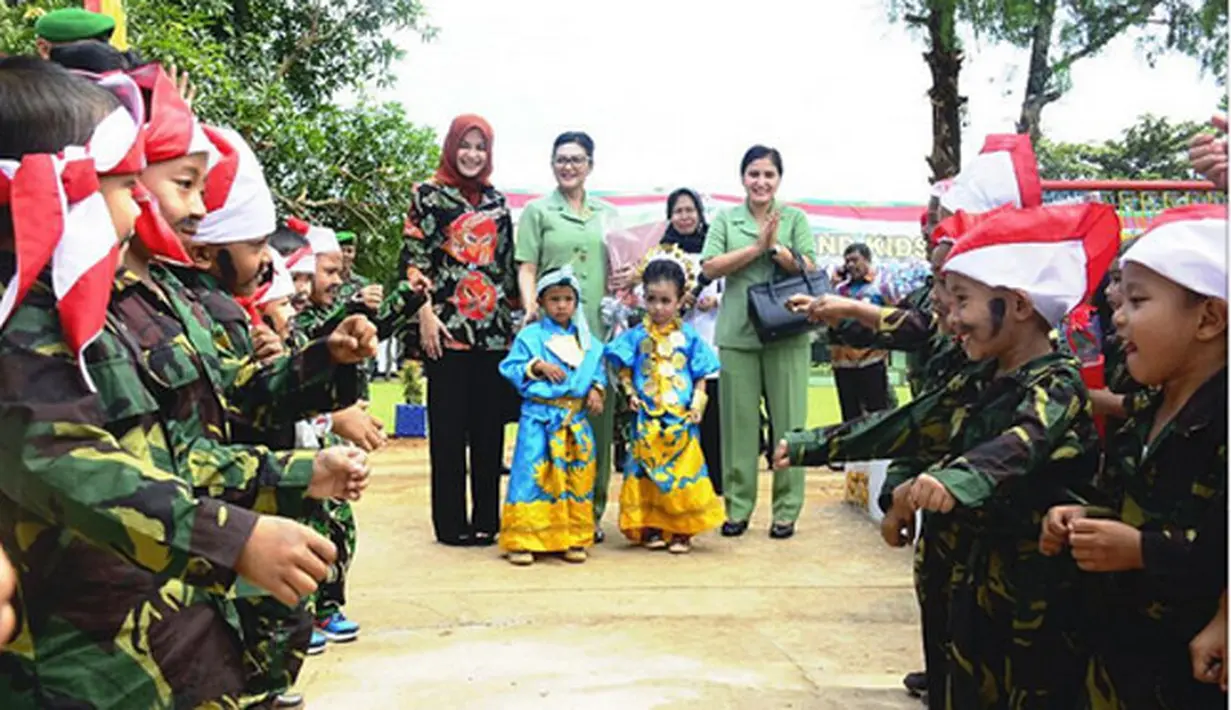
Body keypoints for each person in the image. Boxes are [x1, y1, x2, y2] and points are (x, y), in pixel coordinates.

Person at [0, 57, 353, 708]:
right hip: (81, 670)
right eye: (124, 187)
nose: (142, 209)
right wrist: (232, 537)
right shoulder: (22, 324)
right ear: (59, 188)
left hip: (162, 639)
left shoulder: (90, 306)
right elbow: (66, 462)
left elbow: (181, 445)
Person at [779, 202, 1118, 709]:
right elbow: (913, 423)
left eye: (962, 300)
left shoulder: (1058, 381)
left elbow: (1020, 442)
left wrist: (953, 481)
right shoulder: (978, 374)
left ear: (1020, 305)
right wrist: (815, 445)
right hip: (972, 570)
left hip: (1034, 585)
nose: (950, 316)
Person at [1040, 205, 1228, 709]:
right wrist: (1086, 517)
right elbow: (1129, 502)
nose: (1117, 316)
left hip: (1189, 664)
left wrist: (1142, 549)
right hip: (1121, 651)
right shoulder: (1149, 407)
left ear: (1209, 318)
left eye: (1138, 301)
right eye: (1120, 298)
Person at [402, 114, 518, 547]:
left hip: (493, 332)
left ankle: (488, 519)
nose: (472, 155)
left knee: (489, 430)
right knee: (449, 432)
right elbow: (415, 258)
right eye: (465, 145)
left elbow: (505, 267)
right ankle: (451, 525)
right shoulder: (428, 196)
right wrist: (424, 313)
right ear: (452, 147)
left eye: (480, 147)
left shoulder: (497, 202)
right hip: (446, 328)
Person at [515, 131, 634, 543]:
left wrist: (626, 276)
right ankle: (547, 510)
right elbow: (527, 266)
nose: (569, 166)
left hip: (597, 333)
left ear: (590, 165)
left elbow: (623, 265)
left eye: (577, 159)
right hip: (552, 334)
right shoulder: (537, 212)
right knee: (551, 423)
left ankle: (591, 511)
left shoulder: (608, 214)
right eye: (562, 159)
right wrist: (531, 308)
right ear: (552, 164)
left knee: (597, 421)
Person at [699, 145, 816, 540]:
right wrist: (754, 248)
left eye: (768, 174)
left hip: (788, 330)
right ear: (743, 178)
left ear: (778, 179)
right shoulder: (725, 219)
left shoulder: (795, 218)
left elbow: (811, 267)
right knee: (738, 426)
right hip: (738, 333)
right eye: (754, 174)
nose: (761, 182)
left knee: (790, 426)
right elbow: (710, 265)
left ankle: (786, 512)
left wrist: (777, 249)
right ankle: (737, 506)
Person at [605, 255, 723, 553]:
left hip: (681, 418)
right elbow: (623, 369)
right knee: (646, 470)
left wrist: (697, 405)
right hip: (647, 417)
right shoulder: (634, 336)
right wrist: (630, 393)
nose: (657, 307)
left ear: (681, 299)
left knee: (682, 471)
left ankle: (681, 530)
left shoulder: (691, 337)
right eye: (652, 299)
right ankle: (653, 527)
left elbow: (701, 375)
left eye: (665, 300)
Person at [499, 266, 607, 565]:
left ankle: (572, 537)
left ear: (576, 302)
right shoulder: (530, 337)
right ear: (542, 303)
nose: (562, 305)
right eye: (555, 299)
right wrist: (537, 367)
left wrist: (596, 389)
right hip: (539, 420)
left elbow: (597, 370)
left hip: (574, 421)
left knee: (575, 479)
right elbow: (510, 367)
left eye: (568, 299)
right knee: (534, 477)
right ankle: (524, 540)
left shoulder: (587, 341)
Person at [660, 187, 724, 494]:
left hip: (712, 341)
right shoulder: (662, 252)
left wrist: (717, 301)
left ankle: (714, 488)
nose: (684, 217)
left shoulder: (716, 250)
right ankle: (680, 487)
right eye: (678, 211)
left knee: (712, 419)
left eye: (689, 210)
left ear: (699, 213)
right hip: (673, 346)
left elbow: (733, 289)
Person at [828, 242, 896, 421]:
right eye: (847, 261)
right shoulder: (839, 289)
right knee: (849, 416)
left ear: (867, 260)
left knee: (877, 413)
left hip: (871, 360)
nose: (850, 265)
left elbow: (893, 316)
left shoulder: (881, 286)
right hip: (843, 362)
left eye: (855, 260)